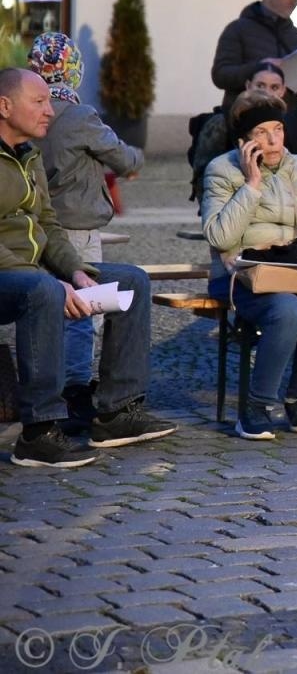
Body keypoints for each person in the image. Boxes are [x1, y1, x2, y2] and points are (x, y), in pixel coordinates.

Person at [0, 69, 176, 467]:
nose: (51, 111)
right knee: (44, 292)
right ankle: (39, 433)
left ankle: (117, 412)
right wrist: (45, 279)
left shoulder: (28, 155)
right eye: (40, 102)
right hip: (14, 277)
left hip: (33, 274)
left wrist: (76, 272)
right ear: (5, 106)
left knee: (131, 281)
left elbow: (48, 224)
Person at [201, 91, 297, 439]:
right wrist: (252, 184)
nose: (274, 139)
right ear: (244, 140)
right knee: (287, 311)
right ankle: (256, 407)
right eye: (262, 132)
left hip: (292, 269)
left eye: (278, 128)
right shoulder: (221, 170)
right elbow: (220, 238)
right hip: (241, 275)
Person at [31, 33, 145, 431]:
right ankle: (74, 392)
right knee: (83, 311)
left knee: (50, 308)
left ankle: (52, 388)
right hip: (76, 226)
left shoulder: (28, 114)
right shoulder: (79, 116)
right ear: (73, 68)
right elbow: (124, 157)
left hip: (36, 226)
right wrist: (137, 157)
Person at [211, 0, 297, 112]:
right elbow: (220, 75)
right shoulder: (237, 30)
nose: (294, 1)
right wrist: (259, 68)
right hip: (245, 121)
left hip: (287, 125)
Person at [191, 62, 287, 205]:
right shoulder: (221, 122)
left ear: (282, 90)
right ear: (248, 85)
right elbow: (202, 173)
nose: (267, 91)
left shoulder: (285, 121)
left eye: (274, 87)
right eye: (260, 85)